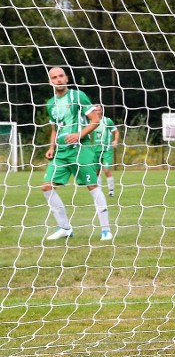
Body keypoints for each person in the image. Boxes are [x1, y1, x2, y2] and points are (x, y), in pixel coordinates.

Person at [41, 67, 113, 242]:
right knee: (47, 186)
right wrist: (52, 148)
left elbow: (95, 121)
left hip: (81, 149)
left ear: (66, 79)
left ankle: (105, 230)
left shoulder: (78, 96)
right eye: (54, 77)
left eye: (60, 76)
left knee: (92, 186)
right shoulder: (50, 104)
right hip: (62, 152)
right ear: (50, 81)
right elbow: (54, 129)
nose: (58, 79)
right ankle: (64, 227)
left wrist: (79, 135)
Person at [91, 105, 119, 196]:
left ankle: (111, 191)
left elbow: (116, 131)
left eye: (99, 110)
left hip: (106, 149)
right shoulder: (91, 121)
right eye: (96, 110)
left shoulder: (107, 121)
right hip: (95, 150)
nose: (97, 112)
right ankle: (99, 191)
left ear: (102, 111)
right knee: (96, 172)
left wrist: (115, 140)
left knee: (106, 170)